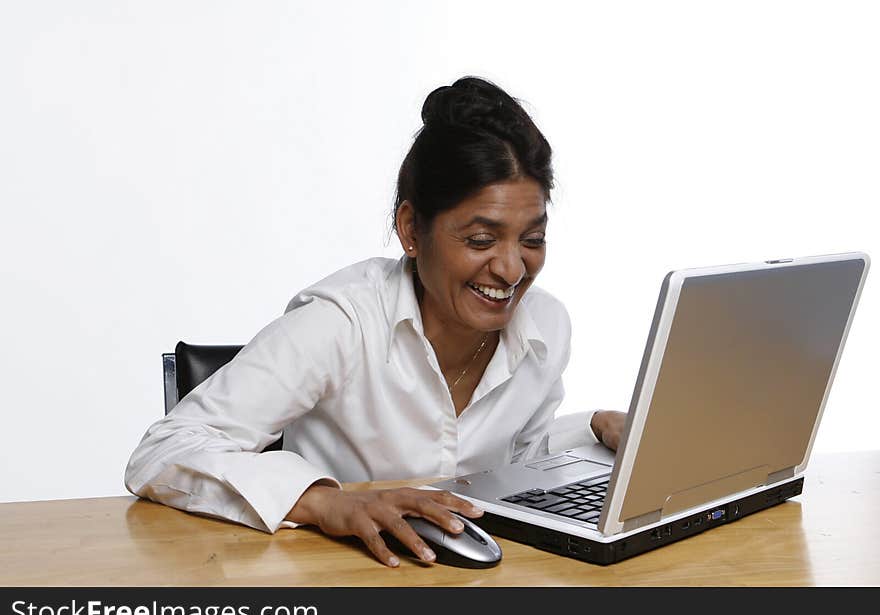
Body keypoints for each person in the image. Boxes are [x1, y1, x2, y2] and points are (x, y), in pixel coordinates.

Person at [124, 76, 627, 568]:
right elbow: (163, 450)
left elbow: (513, 463)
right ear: (411, 229)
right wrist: (325, 502)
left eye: (532, 240)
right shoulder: (340, 323)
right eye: (480, 240)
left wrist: (591, 426)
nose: (512, 269)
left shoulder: (546, 327)